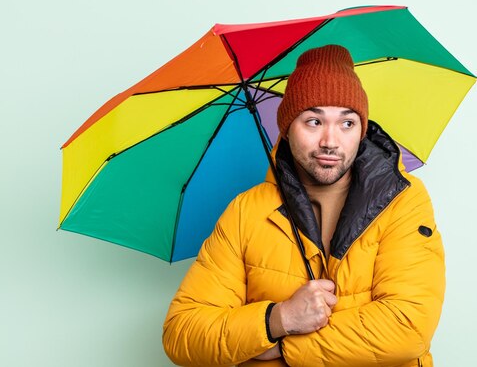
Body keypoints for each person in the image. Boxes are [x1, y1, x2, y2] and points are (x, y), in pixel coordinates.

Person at [162, 45, 446, 367]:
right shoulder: (245, 212)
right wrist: (280, 318)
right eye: (313, 121)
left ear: (362, 129)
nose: (330, 140)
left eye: (347, 123)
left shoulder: (401, 200)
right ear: (287, 127)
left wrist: (284, 348)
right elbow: (182, 333)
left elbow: (409, 326)